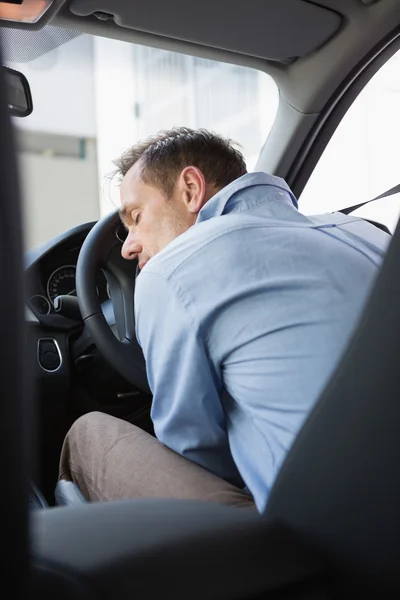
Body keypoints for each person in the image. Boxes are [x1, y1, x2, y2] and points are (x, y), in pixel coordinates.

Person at [59, 127, 389, 512]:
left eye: (136, 216)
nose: (129, 247)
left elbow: (193, 449)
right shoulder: (366, 233)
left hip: (327, 537)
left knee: (87, 434)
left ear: (190, 189)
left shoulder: (170, 271)